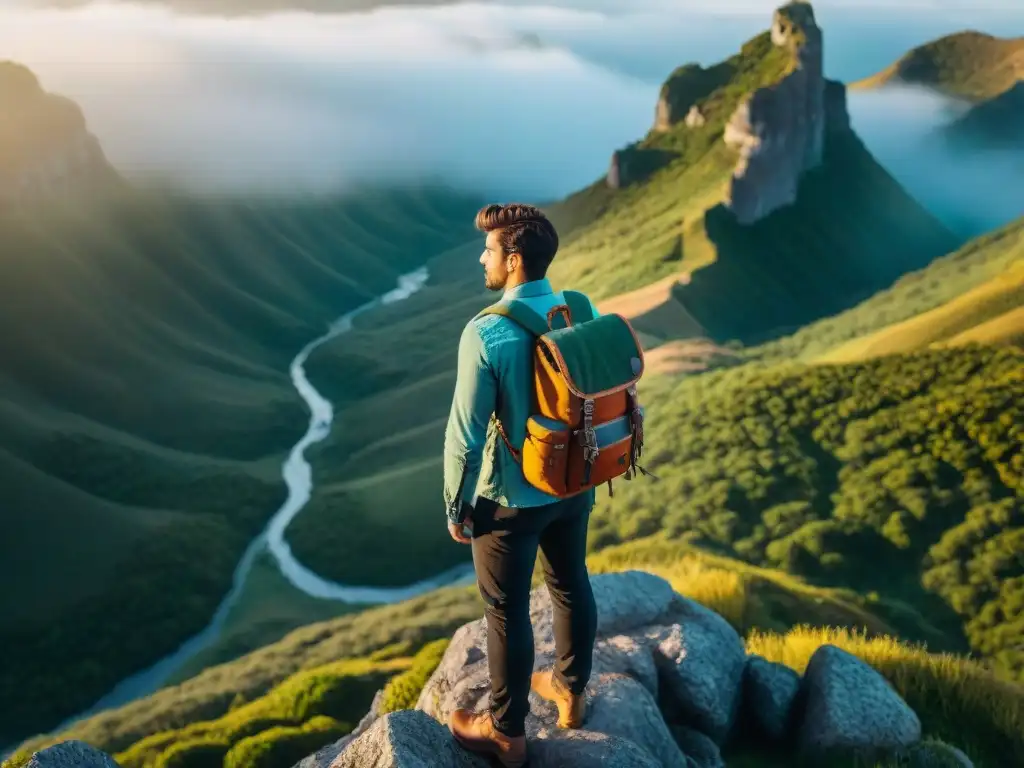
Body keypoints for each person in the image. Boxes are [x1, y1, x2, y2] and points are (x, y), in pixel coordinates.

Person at [442, 203, 600, 767]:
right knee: (570, 582)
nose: (481, 259)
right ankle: (571, 695)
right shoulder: (578, 307)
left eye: (488, 250)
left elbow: (464, 434)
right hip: (573, 484)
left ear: (512, 260)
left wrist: (456, 505)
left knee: (505, 612)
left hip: (510, 499)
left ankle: (506, 734)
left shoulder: (485, 331)